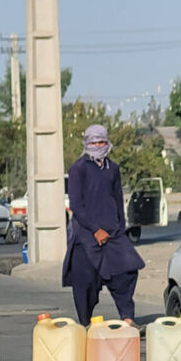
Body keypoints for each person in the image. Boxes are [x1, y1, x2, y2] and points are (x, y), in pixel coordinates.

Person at [61, 124, 145, 326]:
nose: (98, 145)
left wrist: (120, 228)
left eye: (101, 142)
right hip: (86, 235)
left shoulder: (113, 168)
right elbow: (76, 206)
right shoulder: (78, 169)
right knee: (86, 282)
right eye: (93, 142)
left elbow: (117, 198)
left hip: (113, 233)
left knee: (127, 270)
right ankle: (85, 323)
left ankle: (127, 318)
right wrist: (95, 230)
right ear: (87, 144)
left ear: (107, 143)